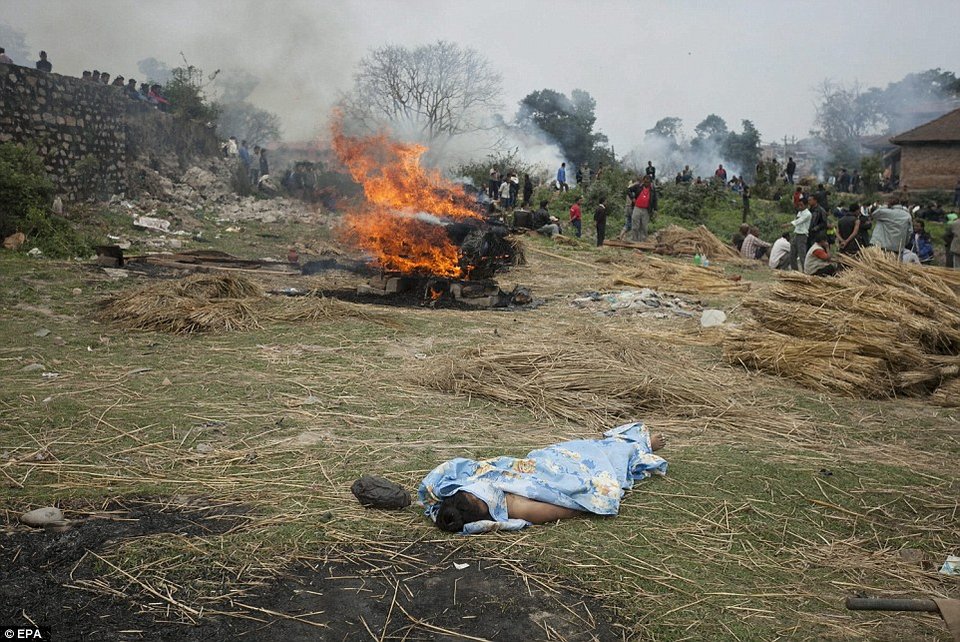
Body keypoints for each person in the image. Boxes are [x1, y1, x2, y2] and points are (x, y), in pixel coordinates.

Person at [419, 422, 668, 534]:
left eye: (471, 493)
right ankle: (640, 447)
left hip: (537, 463)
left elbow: (447, 473)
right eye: (478, 498)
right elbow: (567, 509)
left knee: (573, 448)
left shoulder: (460, 485)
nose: (476, 492)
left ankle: (615, 442)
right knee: (599, 462)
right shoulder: (514, 506)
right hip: (557, 476)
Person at [630, 175, 657, 243]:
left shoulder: (653, 190)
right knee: (635, 225)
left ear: (650, 182)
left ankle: (643, 241)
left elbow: (655, 200)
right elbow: (628, 190)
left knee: (644, 227)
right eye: (645, 181)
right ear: (643, 181)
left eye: (648, 182)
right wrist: (632, 198)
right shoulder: (638, 186)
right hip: (637, 208)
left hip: (646, 210)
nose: (646, 183)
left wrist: (655, 210)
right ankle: (634, 240)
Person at [786, 199, 812, 271]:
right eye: (799, 205)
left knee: (802, 255)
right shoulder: (799, 212)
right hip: (797, 233)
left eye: (801, 205)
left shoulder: (808, 214)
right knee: (792, 254)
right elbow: (797, 219)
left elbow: (799, 221)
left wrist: (789, 224)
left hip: (802, 235)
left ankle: (805, 271)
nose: (799, 207)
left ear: (806, 205)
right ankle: (795, 270)